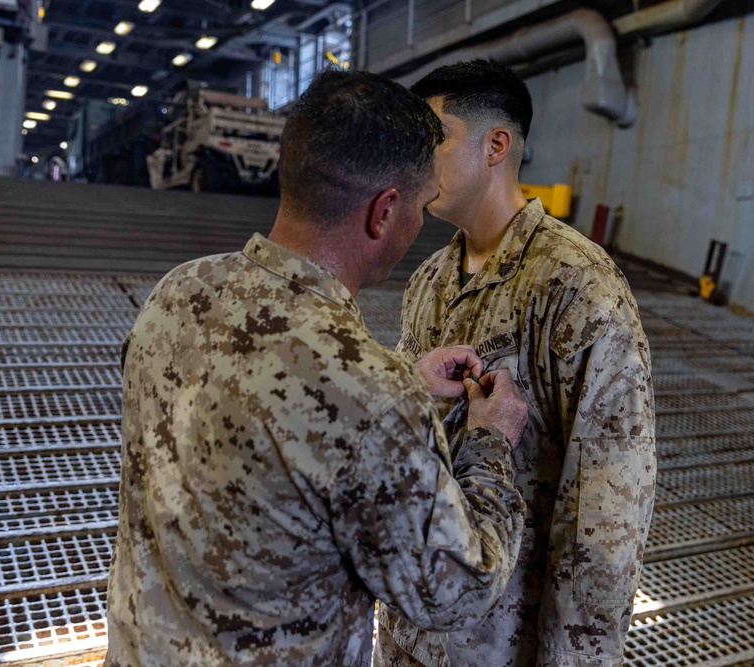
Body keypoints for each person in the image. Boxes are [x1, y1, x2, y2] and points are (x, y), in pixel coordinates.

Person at [104, 69, 530, 666]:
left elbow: (263, 420)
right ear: (384, 212)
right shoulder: (367, 390)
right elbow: (456, 590)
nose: (421, 219)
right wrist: (490, 440)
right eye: (420, 202)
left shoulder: (179, 293)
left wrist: (403, 385)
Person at [375, 59, 656, 667]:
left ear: (495, 145)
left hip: (499, 646)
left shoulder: (577, 288)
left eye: (434, 140)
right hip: (413, 630)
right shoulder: (427, 281)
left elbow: (605, 518)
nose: (418, 163)